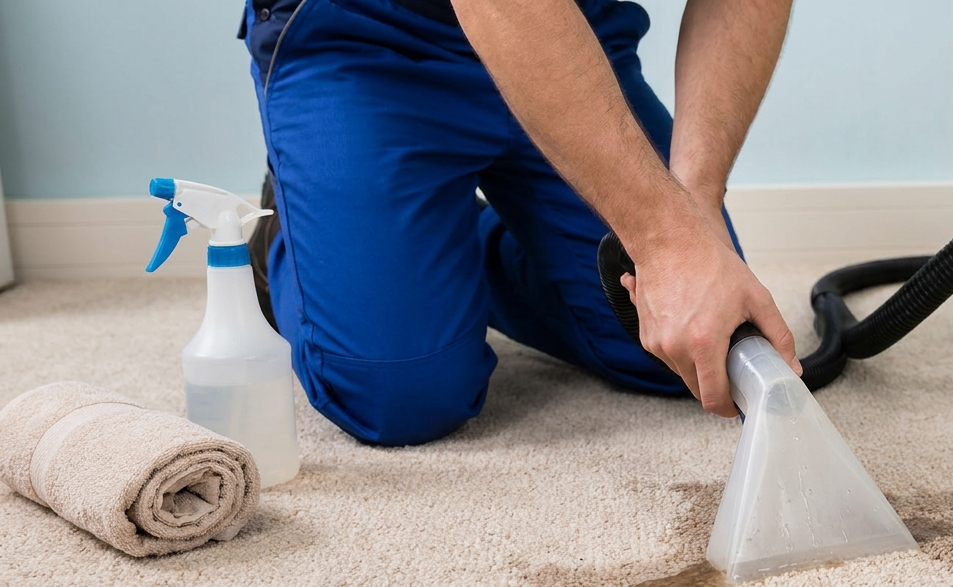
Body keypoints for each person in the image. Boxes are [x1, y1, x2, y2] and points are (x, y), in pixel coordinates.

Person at [239, 0, 802, 447]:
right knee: (401, 393)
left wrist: (692, 216)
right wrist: (665, 242)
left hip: (571, 32)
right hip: (365, 38)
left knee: (685, 348)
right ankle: (289, 238)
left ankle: (434, 245)